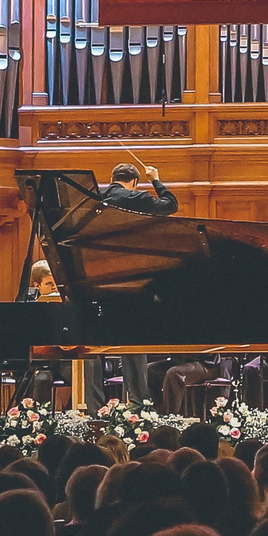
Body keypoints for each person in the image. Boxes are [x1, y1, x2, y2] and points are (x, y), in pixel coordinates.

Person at [98, 162, 178, 402]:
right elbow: (170, 205)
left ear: (112, 178)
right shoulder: (135, 196)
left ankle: (96, 406)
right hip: (132, 273)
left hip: (98, 274)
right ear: (133, 181)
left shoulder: (95, 197)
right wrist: (155, 179)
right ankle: (138, 400)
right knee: (133, 338)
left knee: (92, 344)